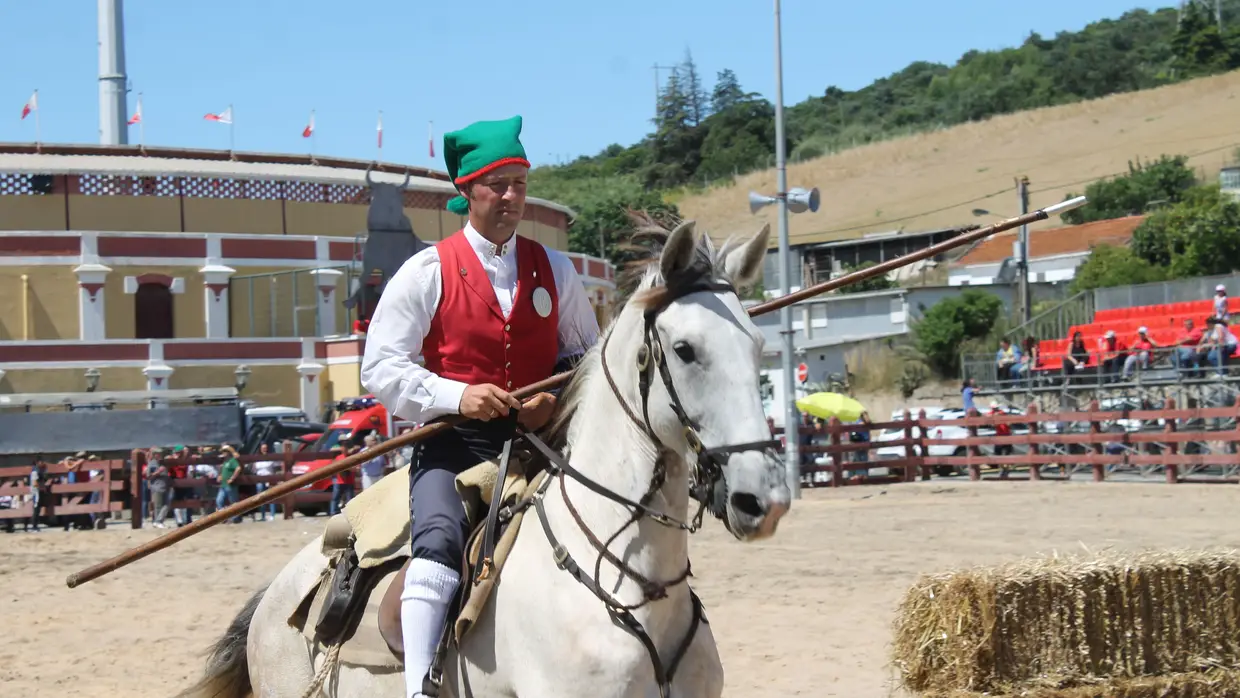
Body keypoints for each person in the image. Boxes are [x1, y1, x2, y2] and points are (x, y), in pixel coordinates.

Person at [359, 115, 600, 698]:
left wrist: (557, 397)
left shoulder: (558, 271)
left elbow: (588, 359)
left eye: (520, 183)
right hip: (453, 446)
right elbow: (380, 368)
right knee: (439, 540)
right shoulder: (424, 272)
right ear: (467, 192)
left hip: (542, 446)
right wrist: (456, 396)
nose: (513, 196)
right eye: (500, 185)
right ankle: (420, 685)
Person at [215, 445, 243, 524]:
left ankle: (235, 518)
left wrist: (232, 478)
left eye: (224, 451)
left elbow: (238, 468)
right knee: (219, 501)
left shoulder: (232, 460)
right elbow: (222, 472)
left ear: (228, 452)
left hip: (231, 485)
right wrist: (219, 476)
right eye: (223, 452)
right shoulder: (225, 461)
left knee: (233, 502)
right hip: (223, 485)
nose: (223, 453)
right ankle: (223, 517)